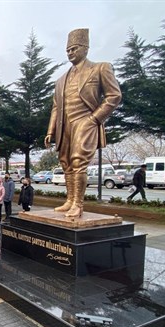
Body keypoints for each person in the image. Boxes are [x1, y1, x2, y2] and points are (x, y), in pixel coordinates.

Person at [44, 28, 122, 218]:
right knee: (66, 163)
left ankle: (78, 203)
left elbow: (114, 95)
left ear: (85, 48)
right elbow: (56, 107)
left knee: (79, 161)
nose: (70, 52)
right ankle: (70, 200)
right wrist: (51, 130)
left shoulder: (100, 68)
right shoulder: (61, 80)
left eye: (74, 48)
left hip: (85, 121)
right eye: (68, 50)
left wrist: (94, 119)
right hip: (64, 125)